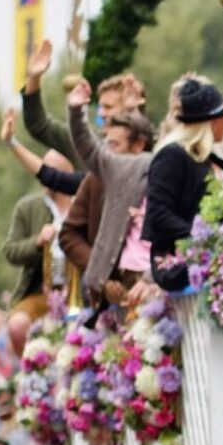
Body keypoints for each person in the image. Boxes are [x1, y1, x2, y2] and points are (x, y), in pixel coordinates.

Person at [66, 81, 158, 307]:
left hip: (155, 282)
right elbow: (87, 147)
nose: (107, 153)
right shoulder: (105, 170)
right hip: (112, 290)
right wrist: (76, 112)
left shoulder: (162, 168)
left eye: (114, 145)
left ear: (139, 145)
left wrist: (150, 278)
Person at [145, 78, 223, 292]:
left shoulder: (213, 161)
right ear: (213, 121)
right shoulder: (172, 156)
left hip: (214, 259)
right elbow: (158, 214)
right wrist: (204, 238)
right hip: (177, 262)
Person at [19, 38, 146, 162]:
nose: (101, 113)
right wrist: (34, 77)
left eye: (108, 107)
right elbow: (37, 125)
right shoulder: (87, 146)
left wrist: (134, 111)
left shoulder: (147, 151)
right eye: (100, 107)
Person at [2, 152, 76, 354]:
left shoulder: (83, 204)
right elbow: (10, 251)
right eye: (42, 171)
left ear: (69, 174)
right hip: (40, 292)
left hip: (79, 292)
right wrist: (37, 241)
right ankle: (30, 374)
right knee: (17, 326)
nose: (45, 177)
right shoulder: (27, 207)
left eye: (51, 172)